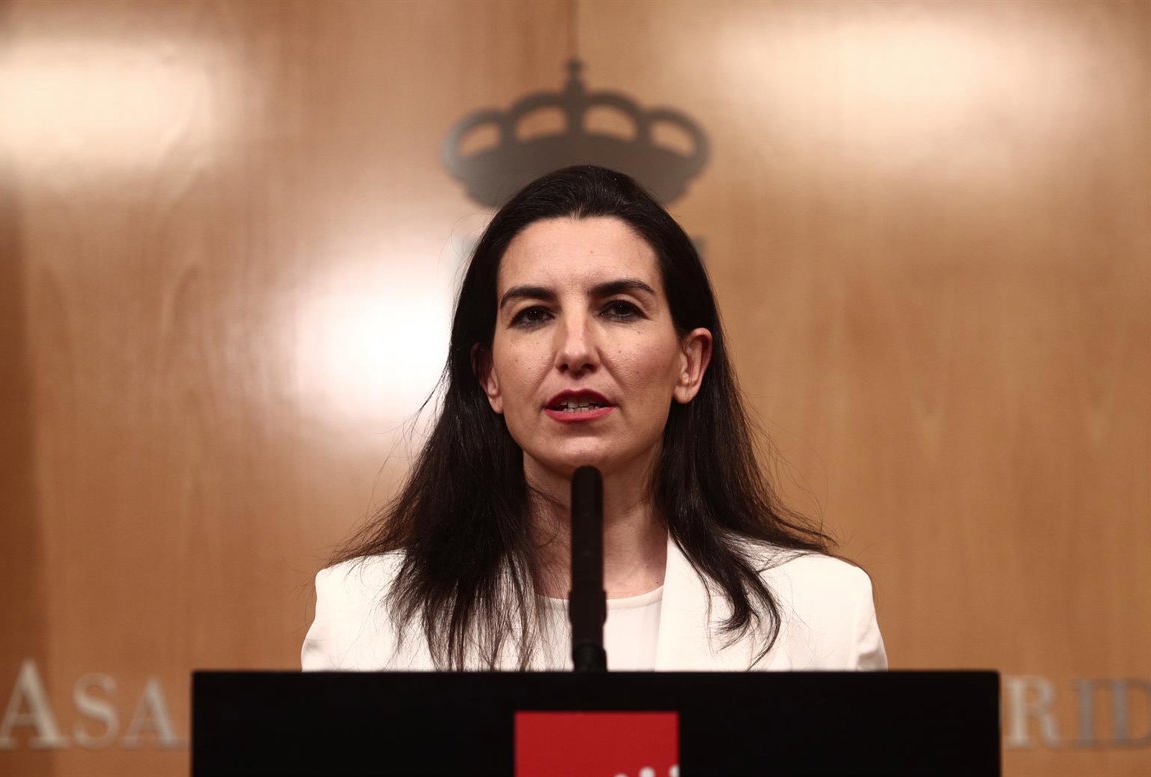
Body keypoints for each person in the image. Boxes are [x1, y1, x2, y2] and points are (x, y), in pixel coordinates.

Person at [302, 165, 886, 671]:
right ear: (489, 375)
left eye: (619, 309)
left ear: (689, 363)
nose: (575, 350)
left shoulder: (824, 614)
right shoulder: (363, 619)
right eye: (534, 314)